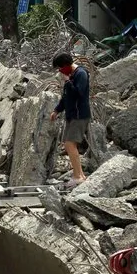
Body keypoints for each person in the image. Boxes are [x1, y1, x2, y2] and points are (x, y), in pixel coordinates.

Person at [50, 53, 91, 187]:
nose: (60, 71)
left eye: (60, 68)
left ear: (66, 65)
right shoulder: (72, 76)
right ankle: (80, 175)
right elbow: (66, 97)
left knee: (70, 144)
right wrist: (57, 110)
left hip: (80, 115)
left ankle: (78, 176)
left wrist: (67, 81)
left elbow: (78, 93)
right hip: (72, 115)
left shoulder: (81, 74)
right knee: (69, 144)